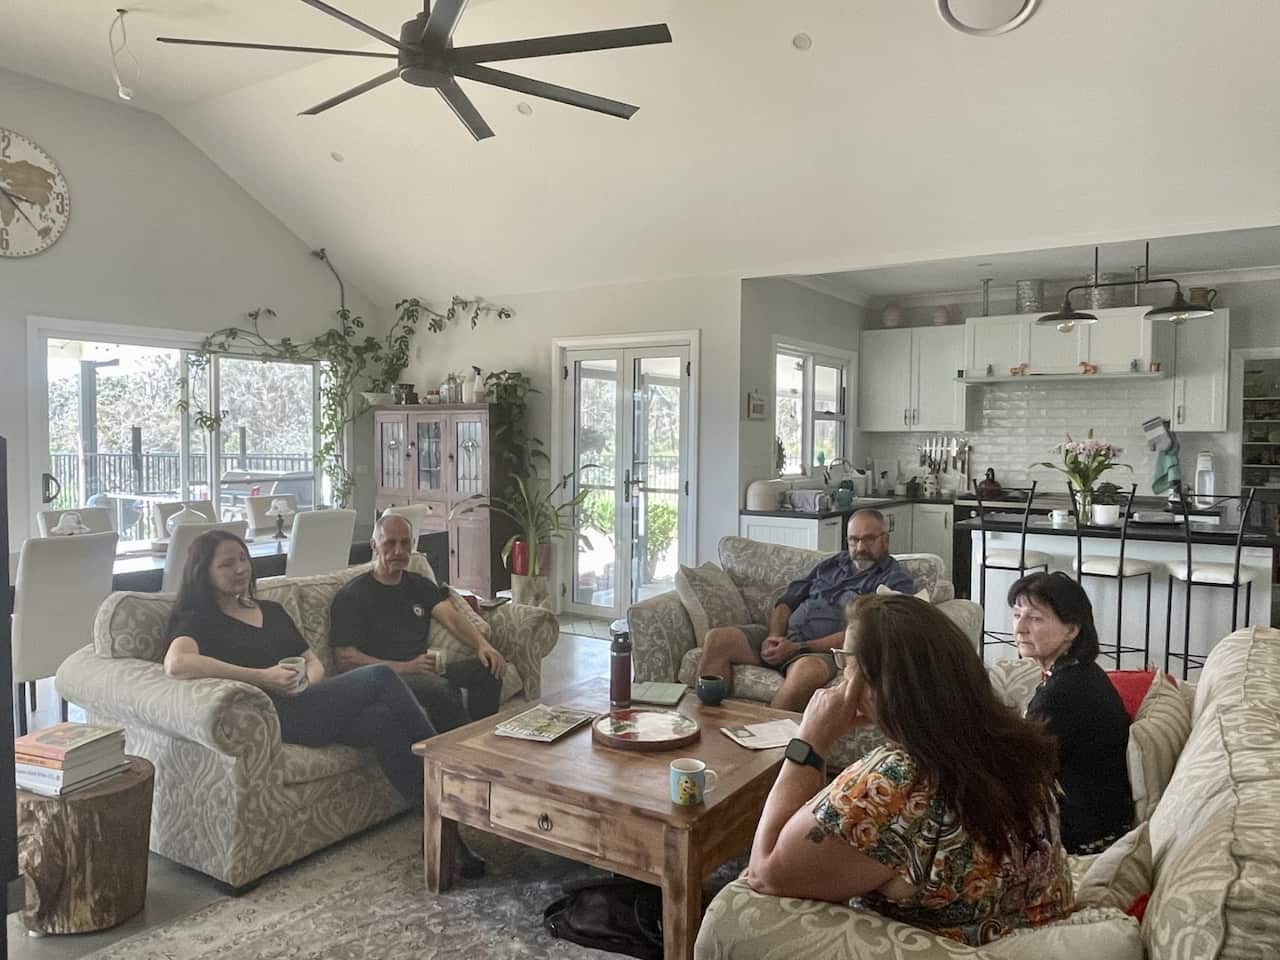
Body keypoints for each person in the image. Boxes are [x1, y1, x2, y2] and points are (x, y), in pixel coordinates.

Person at [746, 593, 1073, 946]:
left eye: (846, 661)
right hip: (1035, 935)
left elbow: (765, 873)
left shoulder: (898, 781)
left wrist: (809, 744)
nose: (842, 674)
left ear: (882, 680)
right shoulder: (1011, 743)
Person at [161, 529, 484, 876]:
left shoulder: (269, 610)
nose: (240, 569)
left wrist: (306, 681)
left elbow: (311, 660)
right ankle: (451, 770)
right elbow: (177, 664)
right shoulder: (199, 620)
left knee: (382, 721)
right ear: (204, 573)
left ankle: (440, 829)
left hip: (307, 702)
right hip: (274, 717)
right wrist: (263, 677)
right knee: (380, 677)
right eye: (227, 564)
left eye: (243, 559)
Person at [697, 509, 914, 711]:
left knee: (806, 672)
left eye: (868, 539)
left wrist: (799, 648)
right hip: (785, 640)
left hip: (821, 652)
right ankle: (708, 727)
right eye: (854, 540)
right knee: (718, 639)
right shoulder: (831, 565)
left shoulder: (894, 581)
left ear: (885, 540)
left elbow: (866, 633)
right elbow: (786, 602)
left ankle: (761, 740)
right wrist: (774, 637)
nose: (860, 548)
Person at [329, 514, 505, 731]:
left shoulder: (418, 585)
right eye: (390, 543)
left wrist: (483, 645)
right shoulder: (353, 595)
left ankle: (482, 737)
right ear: (374, 546)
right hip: (386, 679)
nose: (399, 551)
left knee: (488, 668)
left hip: (424, 669)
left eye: (405, 543)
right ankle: (463, 751)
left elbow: (452, 618)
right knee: (440, 689)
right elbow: (344, 660)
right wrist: (406, 667)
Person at [1009, 571, 1133, 854]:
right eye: (1017, 615)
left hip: (1083, 833)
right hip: (1107, 819)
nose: (1020, 628)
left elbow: (1019, 770)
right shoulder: (1083, 671)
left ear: (1072, 630)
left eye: (1036, 618)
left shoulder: (1062, 692)